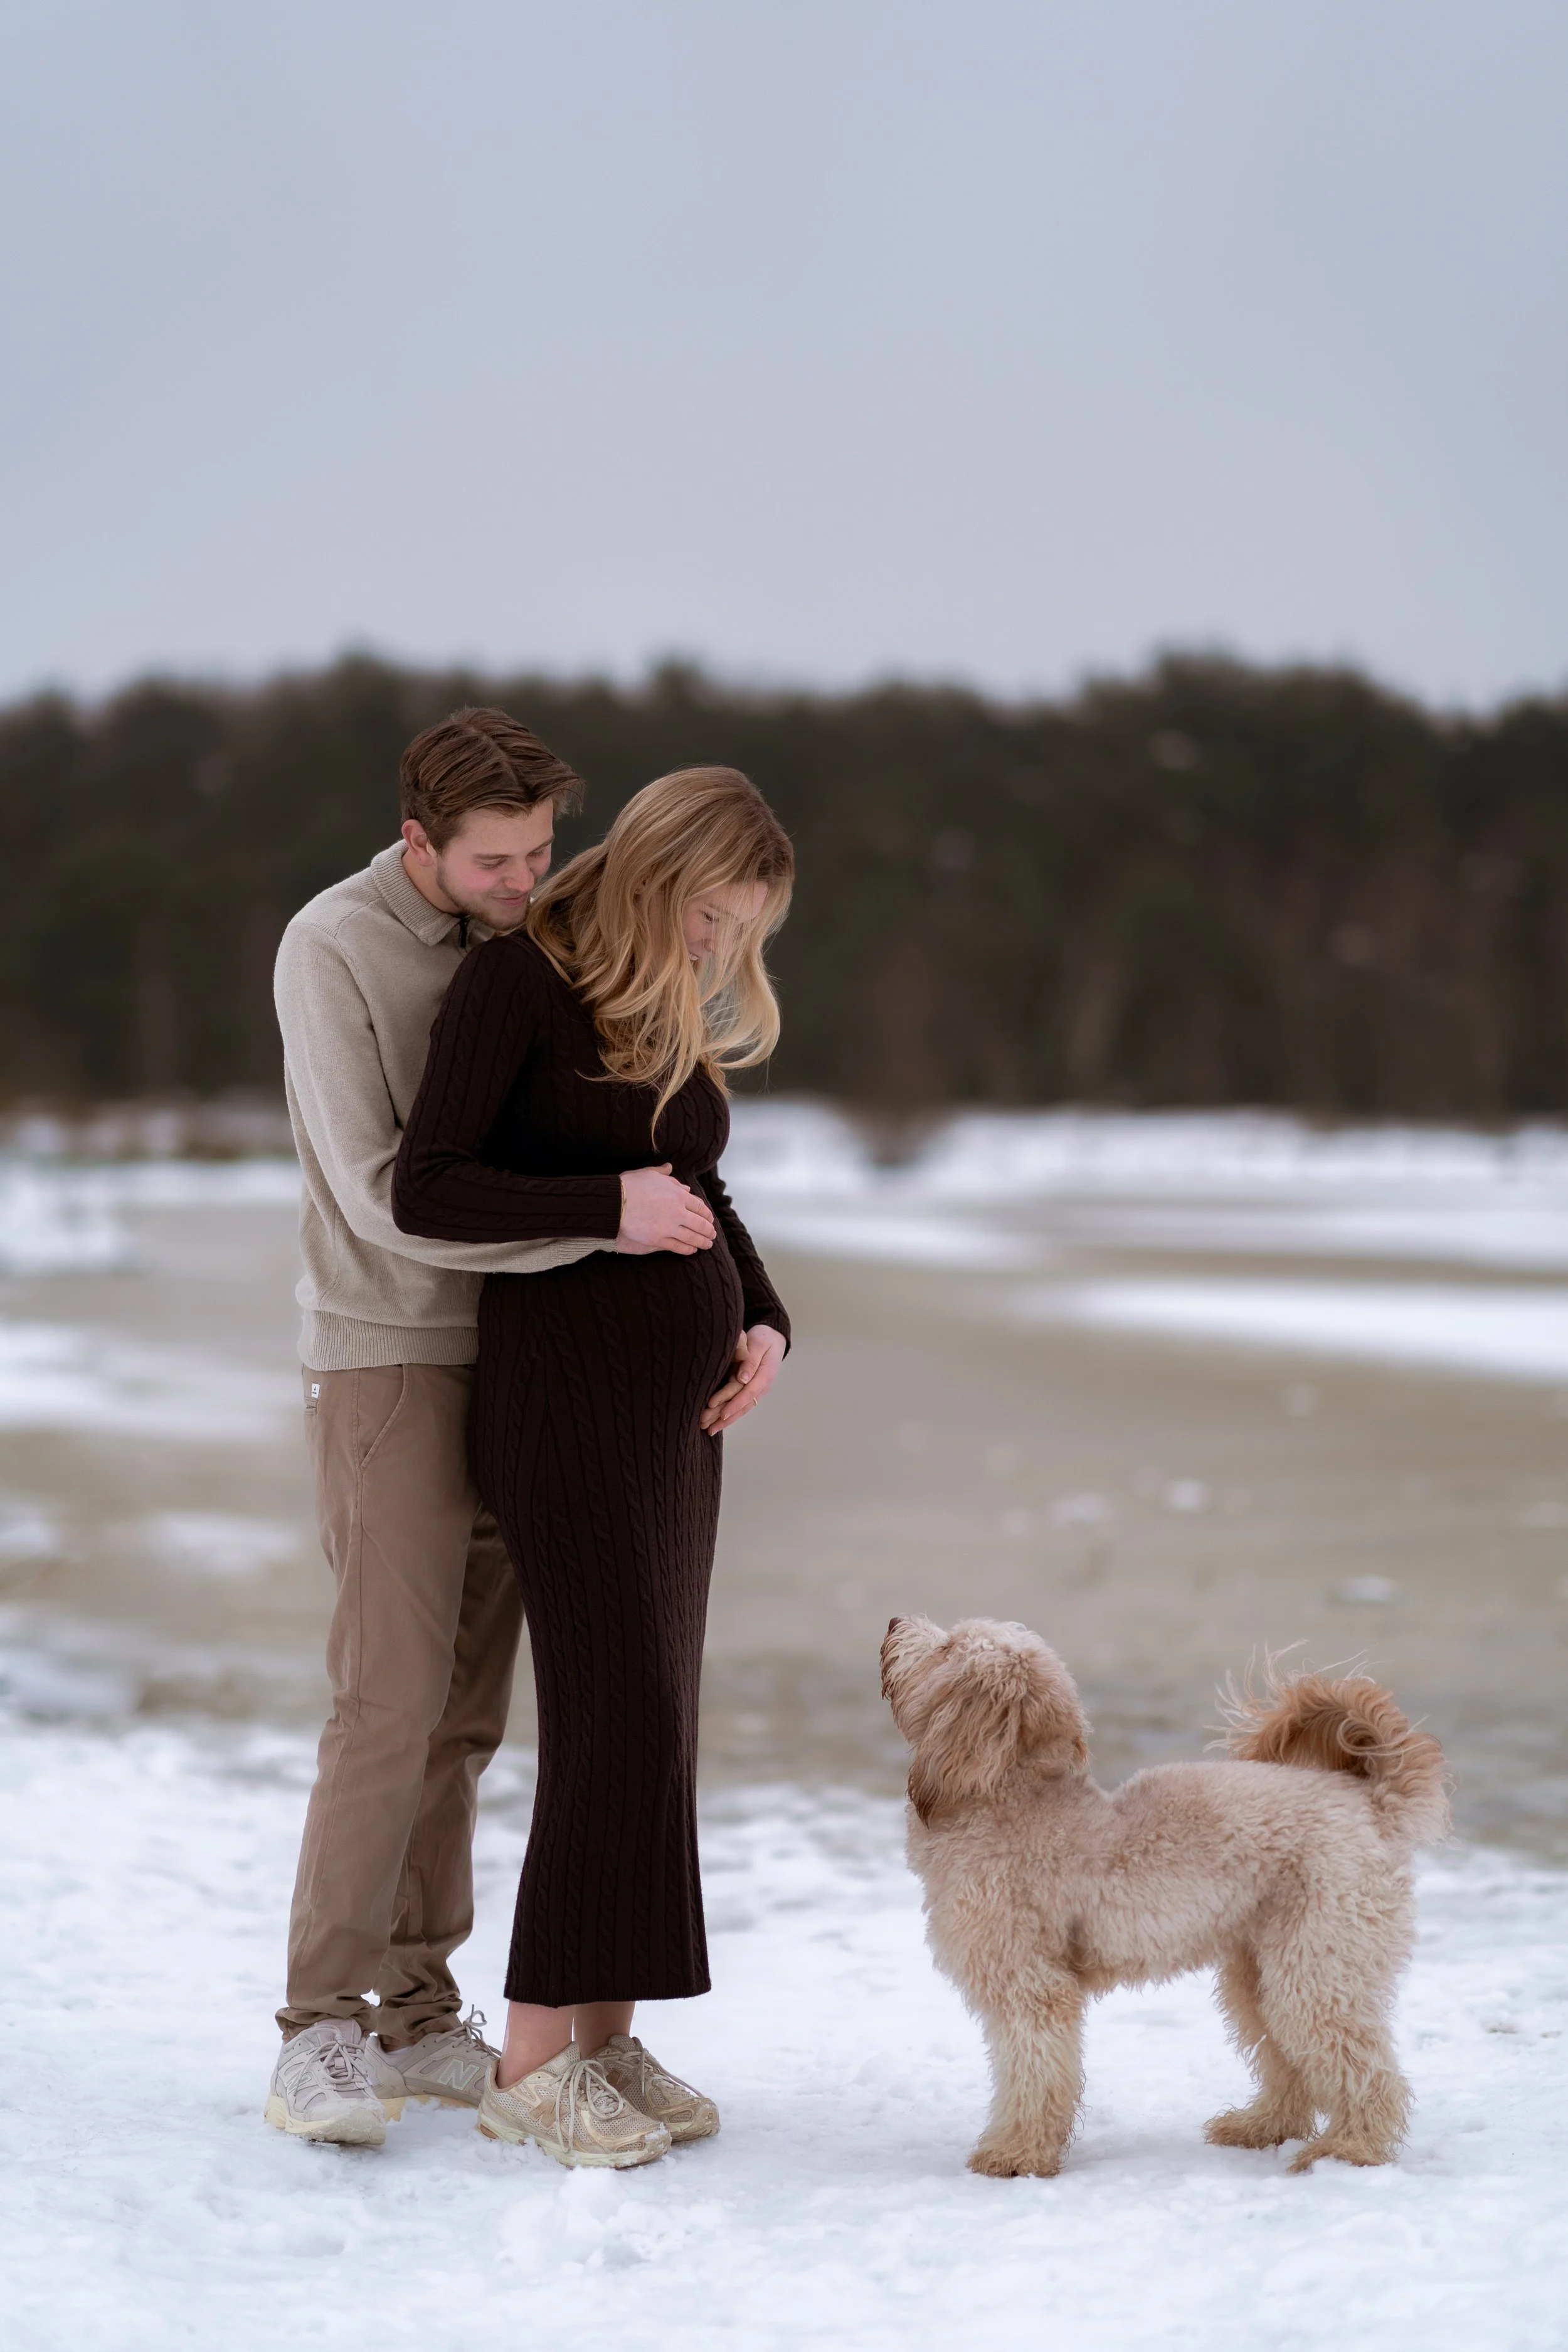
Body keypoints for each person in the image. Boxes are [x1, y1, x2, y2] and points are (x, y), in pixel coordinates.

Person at [265, 707, 704, 2149]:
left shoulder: (536, 949)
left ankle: (414, 2008)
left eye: (540, 853)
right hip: (392, 1355)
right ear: (419, 845)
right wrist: (602, 1223)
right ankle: (318, 2030)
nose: (526, 881)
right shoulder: (333, 947)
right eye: (495, 861)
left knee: (463, 1720)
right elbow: (393, 1184)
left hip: (528, 1365)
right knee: (386, 1702)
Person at [391, 765, 793, 2168]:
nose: (720, 950)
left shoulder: (658, 1001)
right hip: (561, 1405)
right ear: (652, 877)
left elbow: (700, 1186)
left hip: (674, 1417)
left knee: (653, 1724)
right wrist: (601, 1210)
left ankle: (605, 2045)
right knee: (607, 1716)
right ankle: (526, 2061)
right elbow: (426, 1183)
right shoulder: (517, 986)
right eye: (710, 918)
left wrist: (762, 1316)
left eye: (741, 931)